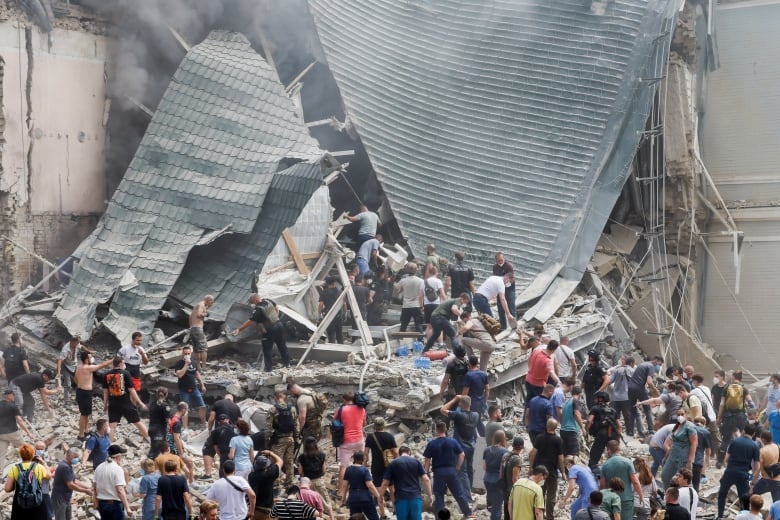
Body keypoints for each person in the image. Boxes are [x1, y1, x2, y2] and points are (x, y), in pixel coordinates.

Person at [423, 421, 472, 517]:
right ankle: (468, 513)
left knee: (439, 496)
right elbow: (462, 454)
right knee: (459, 493)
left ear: (436, 430)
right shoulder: (452, 441)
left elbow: (427, 459)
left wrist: (426, 471)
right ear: (445, 430)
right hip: (451, 471)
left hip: (438, 472)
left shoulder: (432, 444)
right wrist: (457, 467)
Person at [233, 293, 291, 371]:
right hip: (279, 325)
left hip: (269, 330)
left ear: (255, 300)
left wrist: (239, 329)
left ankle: (269, 369)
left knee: (267, 349)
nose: (252, 304)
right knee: (282, 346)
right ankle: (287, 364)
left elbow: (249, 322)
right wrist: (276, 317)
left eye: (252, 302)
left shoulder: (258, 310)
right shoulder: (268, 300)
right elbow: (276, 307)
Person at [717, 422, 761, 519]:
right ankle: (743, 517)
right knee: (744, 499)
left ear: (743, 431)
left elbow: (726, 459)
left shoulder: (734, 442)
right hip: (743, 475)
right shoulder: (754, 446)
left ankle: (720, 516)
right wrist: (752, 481)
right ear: (754, 434)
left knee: (722, 494)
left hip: (730, 472)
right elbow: (757, 467)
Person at [378, 445, 433, 520]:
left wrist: (380, 496)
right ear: (409, 452)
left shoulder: (393, 463)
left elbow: (385, 483)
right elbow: (426, 479)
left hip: (401, 499)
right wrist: (430, 495)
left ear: (400, 453)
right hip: (415, 498)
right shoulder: (416, 462)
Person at [102, 356, 149, 441]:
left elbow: (105, 392)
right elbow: (132, 390)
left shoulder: (106, 375)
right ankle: (149, 439)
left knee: (112, 426)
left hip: (113, 404)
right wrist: (140, 403)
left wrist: (105, 405)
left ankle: (108, 447)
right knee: (137, 422)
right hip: (126, 403)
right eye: (124, 363)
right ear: (120, 364)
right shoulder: (125, 373)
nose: (125, 365)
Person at [441, 394, 479, 493]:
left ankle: (467, 497)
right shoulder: (476, 415)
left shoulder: (458, 415)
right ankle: (470, 490)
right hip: (471, 446)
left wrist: (455, 399)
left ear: (460, 404)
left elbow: (442, 409)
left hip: (460, 448)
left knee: (462, 471)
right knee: (470, 469)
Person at [529, 418, 565, 520]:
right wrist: (563, 472)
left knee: (539, 493)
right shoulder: (558, 440)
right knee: (551, 496)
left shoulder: (539, 438)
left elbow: (533, 453)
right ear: (555, 427)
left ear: (546, 426)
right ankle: (549, 517)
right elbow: (561, 458)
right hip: (552, 472)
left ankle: (538, 515)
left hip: (540, 473)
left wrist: (531, 468)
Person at [5, 443, 51, 520]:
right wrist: (43, 463)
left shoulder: (14, 468)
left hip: (20, 504)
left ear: (20, 455)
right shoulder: (39, 467)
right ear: (33, 454)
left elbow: (7, 489)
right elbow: (49, 476)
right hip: (37, 501)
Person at [599, 440, 643, 520]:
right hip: (626, 499)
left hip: (610, 500)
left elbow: (602, 485)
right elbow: (635, 482)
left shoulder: (605, 465)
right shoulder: (627, 462)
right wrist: (641, 495)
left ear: (608, 450)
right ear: (619, 449)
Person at [74, 352, 112, 441]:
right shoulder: (88, 368)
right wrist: (114, 359)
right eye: (90, 357)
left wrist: (80, 384)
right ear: (86, 359)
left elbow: (75, 378)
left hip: (81, 391)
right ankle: (80, 435)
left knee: (87, 413)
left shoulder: (79, 367)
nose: (92, 358)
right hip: (85, 393)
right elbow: (103, 365)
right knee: (84, 414)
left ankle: (86, 431)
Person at [718, 370, 753, 467]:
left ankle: (720, 461)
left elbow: (722, 404)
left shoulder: (727, 387)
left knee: (726, 439)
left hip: (728, 416)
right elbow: (751, 403)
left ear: (733, 377)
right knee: (740, 437)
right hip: (740, 416)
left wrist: (719, 417)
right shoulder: (743, 388)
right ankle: (741, 459)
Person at [266, 389, 298, 487]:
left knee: (275, 462)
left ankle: (275, 483)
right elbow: (296, 425)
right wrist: (296, 438)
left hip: (279, 440)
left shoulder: (273, 409)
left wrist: (267, 441)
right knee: (289, 462)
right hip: (290, 438)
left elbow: (268, 428)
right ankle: (290, 483)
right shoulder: (292, 408)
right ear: (284, 397)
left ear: (275, 398)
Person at [339, 451, 385, 520]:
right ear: (362, 459)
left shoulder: (348, 469)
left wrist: (344, 498)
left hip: (353, 498)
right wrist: (378, 496)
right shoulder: (364, 470)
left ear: (354, 458)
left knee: (355, 518)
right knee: (373, 517)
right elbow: (370, 485)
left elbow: (345, 485)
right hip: (365, 498)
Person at [661, 409, 699, 489]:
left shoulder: (690, 427)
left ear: (686, 414)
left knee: (684, 480)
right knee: (665, 475)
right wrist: (666, 456)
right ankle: (669, 495)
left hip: (683, 456)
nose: (680, 416)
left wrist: (690, 460)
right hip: (673, 455)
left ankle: (687, 497)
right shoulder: (677, 425)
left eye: (682, 414)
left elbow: (694, 443)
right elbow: (673, 442)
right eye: (678, 414)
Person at [93, 444, 132, 520]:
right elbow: (120, 490)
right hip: (114, 505)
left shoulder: (99, 467)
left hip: (102, 504)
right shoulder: (117, 469)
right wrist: (127, 507)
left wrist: (96, 502)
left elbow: (94, 487)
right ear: (118, 456)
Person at [627, 356, 663, 437]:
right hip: (639, 388)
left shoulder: (642, 364)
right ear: (656, 361)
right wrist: (655, 390)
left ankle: (630, 432)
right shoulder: (651, 366)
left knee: (632, 410)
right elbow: (649, 382)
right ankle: (651, 430)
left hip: (630, 387)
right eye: (659, 364)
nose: (659, 367)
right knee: (647, 409)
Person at [52, 446, 91, 520]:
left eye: (77, 457)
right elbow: (70, 485)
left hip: (66, 497)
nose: (76, 459)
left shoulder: (68, 466)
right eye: (75, 457)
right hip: (60, 498)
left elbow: (75, 481)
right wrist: (85, 491)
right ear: (68, 455)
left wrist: (88, 487)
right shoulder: (64, 467)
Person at [173, 346, 207, 428]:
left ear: (191, 353)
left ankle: (204, 423)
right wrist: (186, 364)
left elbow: (196, 374)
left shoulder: (194, 362)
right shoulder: (179, 363)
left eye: (188, 353)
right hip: (184, 389)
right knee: (184, 408)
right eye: (185, 354)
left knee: (202, 406)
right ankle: (185, 427)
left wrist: (202, 385)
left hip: (194, 388)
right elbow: (180, 375)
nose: (187, 355)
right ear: (182, 353)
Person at [298, 437, 332, 519]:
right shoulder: (321, 455)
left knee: (309, 502)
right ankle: (332, 517)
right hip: (318, 480)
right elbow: (324, 470)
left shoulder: (302, 457)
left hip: (307, 482)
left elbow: (300, 471)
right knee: (326, 501)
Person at [335, 392, 366, 481]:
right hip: (359, 440)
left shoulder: (340, 410)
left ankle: (340, 492)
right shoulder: (362, 409)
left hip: (346, 441)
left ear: (344, 399)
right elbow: (363, 424)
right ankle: (362, 483)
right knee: (360, 462)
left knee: (344, 466)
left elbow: (335, 423)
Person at [57, 334, 93, 408]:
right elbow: (60, 361)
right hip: (66, 366)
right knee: (68, 384)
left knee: (79, 382)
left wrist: (89, 351)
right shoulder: (65, 350)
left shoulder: (76, 344)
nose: (78, 344)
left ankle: (77, 399)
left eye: (78, 342)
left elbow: (82, 346)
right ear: (73, 341)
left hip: (74, 365)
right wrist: (58, 372)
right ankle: (66, 403)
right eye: (77, 342)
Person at [586, 390, 620, 469]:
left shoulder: (595, 408)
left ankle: (592, 470)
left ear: (600, 399)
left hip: (602, 434)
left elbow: (589, 421)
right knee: (613, 454)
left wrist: (586, 430)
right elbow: (619, 425)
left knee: (594, 455)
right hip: (613, 435)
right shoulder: (613, 410)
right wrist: (617, 438)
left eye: (596, 398)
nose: (595, 400)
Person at [0, 388, 32, 471]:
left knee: (1, 454)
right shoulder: (12, 406)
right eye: (13, 395)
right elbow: (20, 420)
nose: (14, 396)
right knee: (24, 448)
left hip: (1, 434)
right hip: (12, 432)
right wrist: (28, 432)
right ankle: (31, 466)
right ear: (8, 396)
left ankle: (0, 472)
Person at [559, 455, 599, 520]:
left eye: (566, 467)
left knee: (585, 516)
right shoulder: (585, 467)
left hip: (588, 495)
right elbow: (585, 482)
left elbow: (572, 486)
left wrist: (564, 500)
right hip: (594, 492)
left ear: (569, 464)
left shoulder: (573, 468)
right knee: (574, 508)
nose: (567, 469)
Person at [482, 429, 509, 520]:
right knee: (497, 506)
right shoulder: (505, 452)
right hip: (497, 480)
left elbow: (484, 467)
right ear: (503, 439)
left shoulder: (486, 450)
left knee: (491, 503)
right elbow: (504, 469)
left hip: (487, 479)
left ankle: (491, 513)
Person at [365, 417, 398, 488]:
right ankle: (393, 499)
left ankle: (380, 499)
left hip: (376, 465)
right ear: (384, 425)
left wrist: (365, 463)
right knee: (391, 485)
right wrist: (396, 463)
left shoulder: (370, 437)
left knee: (377, 485)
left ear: (374, 426)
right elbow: (395, 452)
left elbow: (366, 452)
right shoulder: (390, 436)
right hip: (388, 464)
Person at [249, 451, 283, 520]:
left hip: (255, 509)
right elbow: (280, 461)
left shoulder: (251, 476)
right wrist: (271, 453)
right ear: (267, 466)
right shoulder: (269, 474)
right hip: (265, 511)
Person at [526, 342, 561, 407]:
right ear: (554, 350)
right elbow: (551, 373)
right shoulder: (547, 361)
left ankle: (526, 416)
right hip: (538, 385)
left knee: (528, 402)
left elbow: (529, 359)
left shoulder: (536, 351)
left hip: (528, 380)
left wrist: (530, 369)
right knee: (539, 404)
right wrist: (558, 382)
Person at [462, 355, 489, 437]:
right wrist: (485, 401)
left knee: (473, 423)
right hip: (480, 402)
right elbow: (487, 389)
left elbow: (465, 393)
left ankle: (480, 442)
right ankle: (483, 440)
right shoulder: (483, 374)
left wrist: (461, 403)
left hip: (472, 403)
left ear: (469, 364)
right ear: (477, 363)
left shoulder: (469, 375)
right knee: (477, 421)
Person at [394, 262, 424, 335]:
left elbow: (397, 288)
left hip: (406, 306)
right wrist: (421, 306)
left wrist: (394, 281)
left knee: (403, 325)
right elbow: (422, 294)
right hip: (416, 305)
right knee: (418, 325)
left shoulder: (403, 280)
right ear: (416, 270)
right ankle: (421, 341)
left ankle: (400, 339)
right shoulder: (421, 281)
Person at [167, 402, 194, 482]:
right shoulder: (177, 422)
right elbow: (176, 438)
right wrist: (181, 452)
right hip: (174, 448)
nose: (187, 411)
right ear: (183, 409)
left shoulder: (172, 418)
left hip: (169, 445)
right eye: (186, 409)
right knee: (189, 463)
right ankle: (190, 483)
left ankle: (186, 482)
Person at [203, 413, 236, 479]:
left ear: (218, 422)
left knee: (223, 472)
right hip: (234, 453)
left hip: (223, 453)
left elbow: (215, 446)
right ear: (227, 420)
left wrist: (220, 455)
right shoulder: (233, 429)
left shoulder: (215, 431)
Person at [502, 437, 526, 520]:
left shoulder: (506, 455)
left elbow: (501, 470)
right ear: (521, 447)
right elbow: (515, 478)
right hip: (511, 488)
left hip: (504, 486)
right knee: (512, 511)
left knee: (506, 509)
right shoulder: (517, 459)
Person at [492, 253, 516, 329]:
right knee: (500, 308)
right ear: (496, 260)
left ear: (504, 258)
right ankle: (503, 327)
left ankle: (514, 326)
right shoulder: (495, 267)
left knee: (511, 306)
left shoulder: (508, 266)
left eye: (501, 260)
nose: (500, 261)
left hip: (509, 288)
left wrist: (504, 282)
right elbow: (495, 278)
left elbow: (511, 279)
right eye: (498, 260)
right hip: (500, 288)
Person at [189, 294, 214, 370]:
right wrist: (206, 314)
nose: (212, 304)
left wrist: (191, 327)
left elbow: (190, 317)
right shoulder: (201, 305)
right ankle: (204, 367)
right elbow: (199, 314)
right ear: (209, 300)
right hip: (198, 329)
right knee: (204, 348)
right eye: (211, 302)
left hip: (193, 328)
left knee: (196, 349)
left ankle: (198, 367)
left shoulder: (196, 306)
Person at [609, 356, 633, 431]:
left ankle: (616, 432)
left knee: (616, 416)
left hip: (616, 397)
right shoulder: (632, 370)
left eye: (623, 359)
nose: (622, 360)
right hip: (627, 397)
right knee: (627, 416)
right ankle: (629, 432)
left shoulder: (617, 370)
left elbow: (610, 381)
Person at [561, 385, 586, 456]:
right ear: (580, 394)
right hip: (571, 431)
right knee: (574, 455)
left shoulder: (567, 402)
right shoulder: (576, 401)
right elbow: (577, 414)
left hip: (563, 430)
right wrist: (583, 428)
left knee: (565, 454)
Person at [148, 386, 173, 458]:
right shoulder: (165, 406)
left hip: (151, 429)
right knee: (155, 452)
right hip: (159, 431)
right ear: (166, 394)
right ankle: (149, 467)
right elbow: (167, 420)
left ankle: (156, 465)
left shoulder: (152, 404)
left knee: (155, 448)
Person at [318, 276, 344, 344]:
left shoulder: (324, 292)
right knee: (339, 334)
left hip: (329, 314)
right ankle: (341, 349)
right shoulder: (339, 291)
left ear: (326, 283)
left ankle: (332, 348)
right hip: (338, 314)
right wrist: (345, 313)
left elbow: (321, 304)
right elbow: (344, 304)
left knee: (331, 335)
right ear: (334, 283)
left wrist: (319, 314)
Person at [756, 429, 780, 501]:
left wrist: (753, 482)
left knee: (752, 494)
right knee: (777, 502)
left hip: (766, 480)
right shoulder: (777, 447)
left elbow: (758, 468)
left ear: (763, 439)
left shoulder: (762, 451)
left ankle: (747, 510)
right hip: (778, 480)